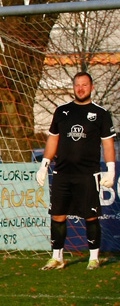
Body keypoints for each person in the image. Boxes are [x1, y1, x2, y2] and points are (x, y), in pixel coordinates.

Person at [36, 71, 116, 270]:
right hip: (62, 172)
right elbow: (53, 138)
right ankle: (57, 258)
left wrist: (111, 169)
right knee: (58, 215)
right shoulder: (62, 111)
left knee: (90, 216)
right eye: (77, 85)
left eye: (85, 85)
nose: (81, 88)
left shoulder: (101, 114)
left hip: (88, 174)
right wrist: (44, 165)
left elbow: (108, 144)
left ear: (92, 87)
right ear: (73, 87)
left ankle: (93, 258)